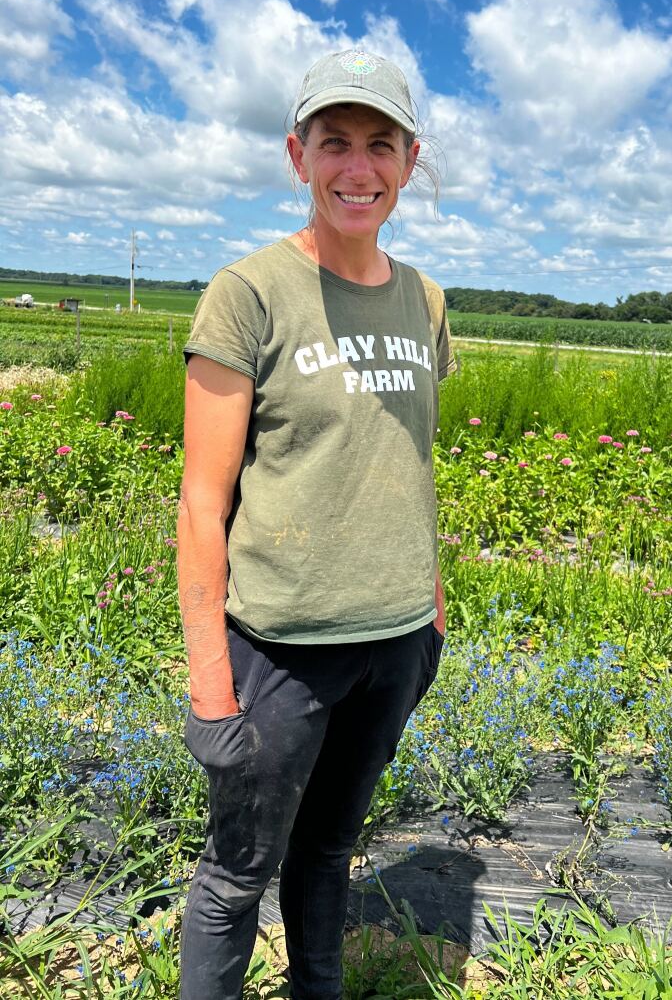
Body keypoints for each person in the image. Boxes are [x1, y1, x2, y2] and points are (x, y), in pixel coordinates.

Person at [176, 49, 456, 1000]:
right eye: (334, 141)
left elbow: (404, 456)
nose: (357, 166)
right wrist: (212, 688)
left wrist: (431, 610)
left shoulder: (424, 299)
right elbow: (202, 503)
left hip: (394, 639)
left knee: (331, 847)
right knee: (236, 875)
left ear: (409, 162)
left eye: (380, 144)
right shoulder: (249, 294)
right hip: (282, 649)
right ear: (297, 155)